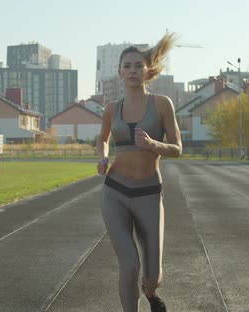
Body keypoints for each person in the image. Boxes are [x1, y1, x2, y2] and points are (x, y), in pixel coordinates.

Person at [96, 33, 182, 312]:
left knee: (152, 276)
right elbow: (103, 138)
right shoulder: (111, 109)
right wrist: (103, 157)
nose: (133, 70)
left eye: (138, 65)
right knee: (129, 264)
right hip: (115, 191)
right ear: (120, 72)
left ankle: (151, 294)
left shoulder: (162, 105)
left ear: (148, 70)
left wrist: (154, 144)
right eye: (128, 66)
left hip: (148, 193)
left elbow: (178, 148)